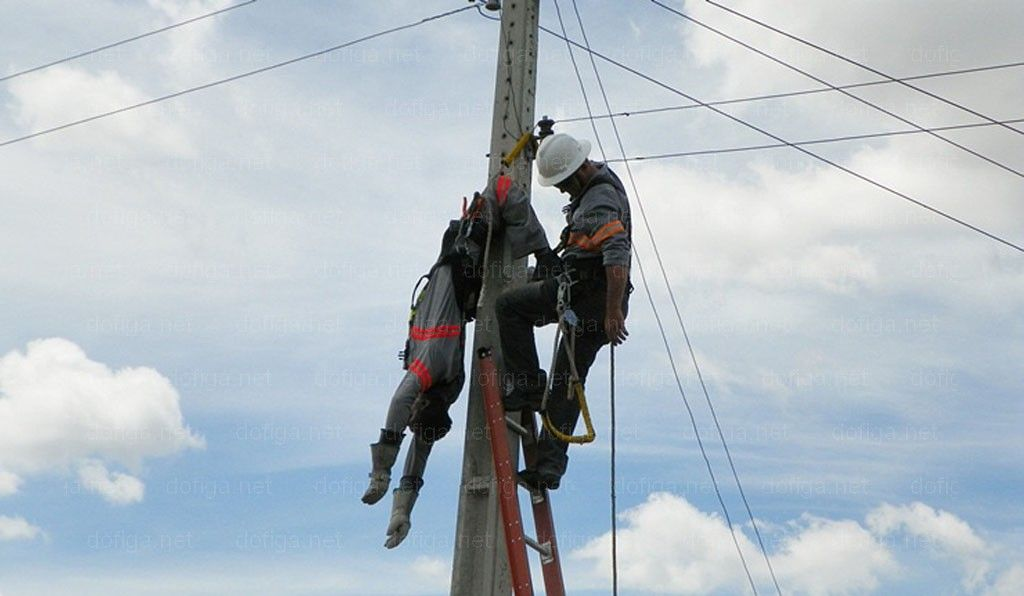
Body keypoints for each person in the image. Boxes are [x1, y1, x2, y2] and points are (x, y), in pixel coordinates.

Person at [361, 175, 550, 548]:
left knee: (517, 286)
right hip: (463, 267)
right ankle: (546, 271)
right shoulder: (434, 373)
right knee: (516, 286)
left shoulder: (434, 380)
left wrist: (390, 487)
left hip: (462, 265)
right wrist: (393, 494)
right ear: (423, 406)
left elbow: (409, 430)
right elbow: (409, 428)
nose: (411, 416)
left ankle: (544, 269)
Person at [496, 132, 631, 491]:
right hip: (586, 299)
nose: (560, 191)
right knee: (567, 381)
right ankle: (549, 467)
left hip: (587, 299)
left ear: (577, 172)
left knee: (509, 308)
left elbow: (617, 256)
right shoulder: (599, 186)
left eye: (561, 184)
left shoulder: (598, 199)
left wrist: (612, 310)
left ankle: (525, 384)